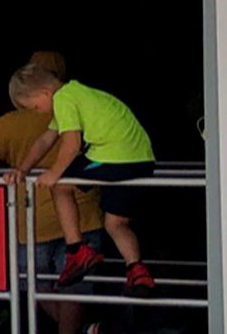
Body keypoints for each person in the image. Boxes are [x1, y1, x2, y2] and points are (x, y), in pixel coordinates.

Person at [0, 51, 99, 334]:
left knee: (33, 287)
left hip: (32, 218)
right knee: (74, 287)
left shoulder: (10, 122)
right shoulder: (84, 108)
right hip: (83, 214)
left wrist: (6, 166)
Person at [11, 64, 159, 296]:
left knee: (60, 186)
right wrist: (22, 168)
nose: (38, 113)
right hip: (140, 160)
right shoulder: (76, 93)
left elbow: (72, 145)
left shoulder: (63, 99)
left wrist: (53, 174)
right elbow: (45, 140)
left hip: (114, 157)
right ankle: (137, 270)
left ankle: (77, 250)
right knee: (115, 223)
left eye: (36, 107)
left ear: (44, 92)